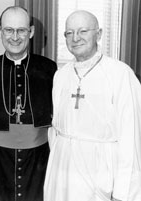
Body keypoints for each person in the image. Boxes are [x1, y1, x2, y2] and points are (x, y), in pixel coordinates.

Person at [44, 10, 141, 201]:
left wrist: (124, 192)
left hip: (100, 175)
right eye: (69, 32)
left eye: (83, 31)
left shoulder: (120, 74)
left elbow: (132, 137)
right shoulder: (61, 75)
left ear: (99, 34)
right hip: (61, 172)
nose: (75, 38)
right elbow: (54, 129)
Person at [0, 6, 57, 201]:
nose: (15, 37)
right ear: (0, 31)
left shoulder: (49, 69)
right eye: (9, 30)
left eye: (21, 30)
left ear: (30, 32)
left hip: (39, 160)